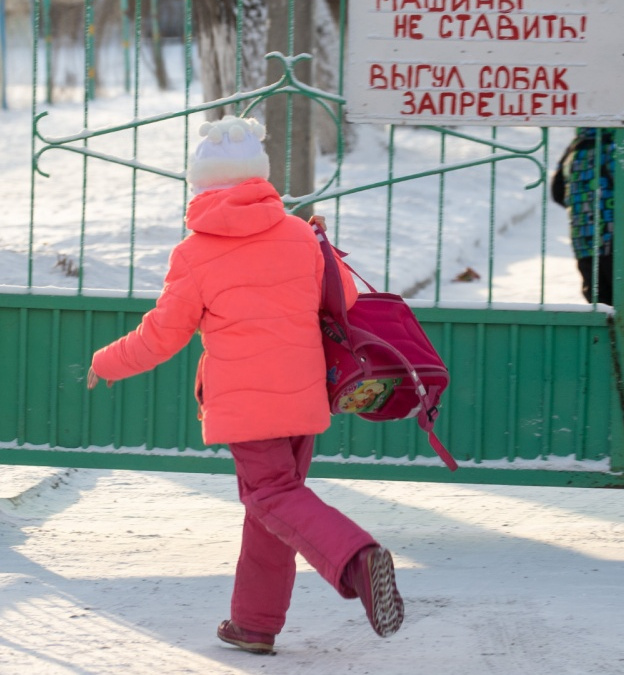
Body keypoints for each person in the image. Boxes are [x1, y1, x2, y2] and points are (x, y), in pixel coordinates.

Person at [86, 115, 404, 654]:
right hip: (304, 396)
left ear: (203, 187)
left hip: (247, 406)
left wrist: (107, 362)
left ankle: (356, 558)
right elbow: (344, 301)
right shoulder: (300, 234)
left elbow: (162, 335)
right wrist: (324, 245)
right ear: (257, 181)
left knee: (272, 497)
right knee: (275, 508)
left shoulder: (196, 252)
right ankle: (254, 623)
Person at [552, 84, 624, 345]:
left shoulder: (580, 142)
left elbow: (557, 191)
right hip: (622, 233)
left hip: (585, 237)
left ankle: (609, 352)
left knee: (599, 294)